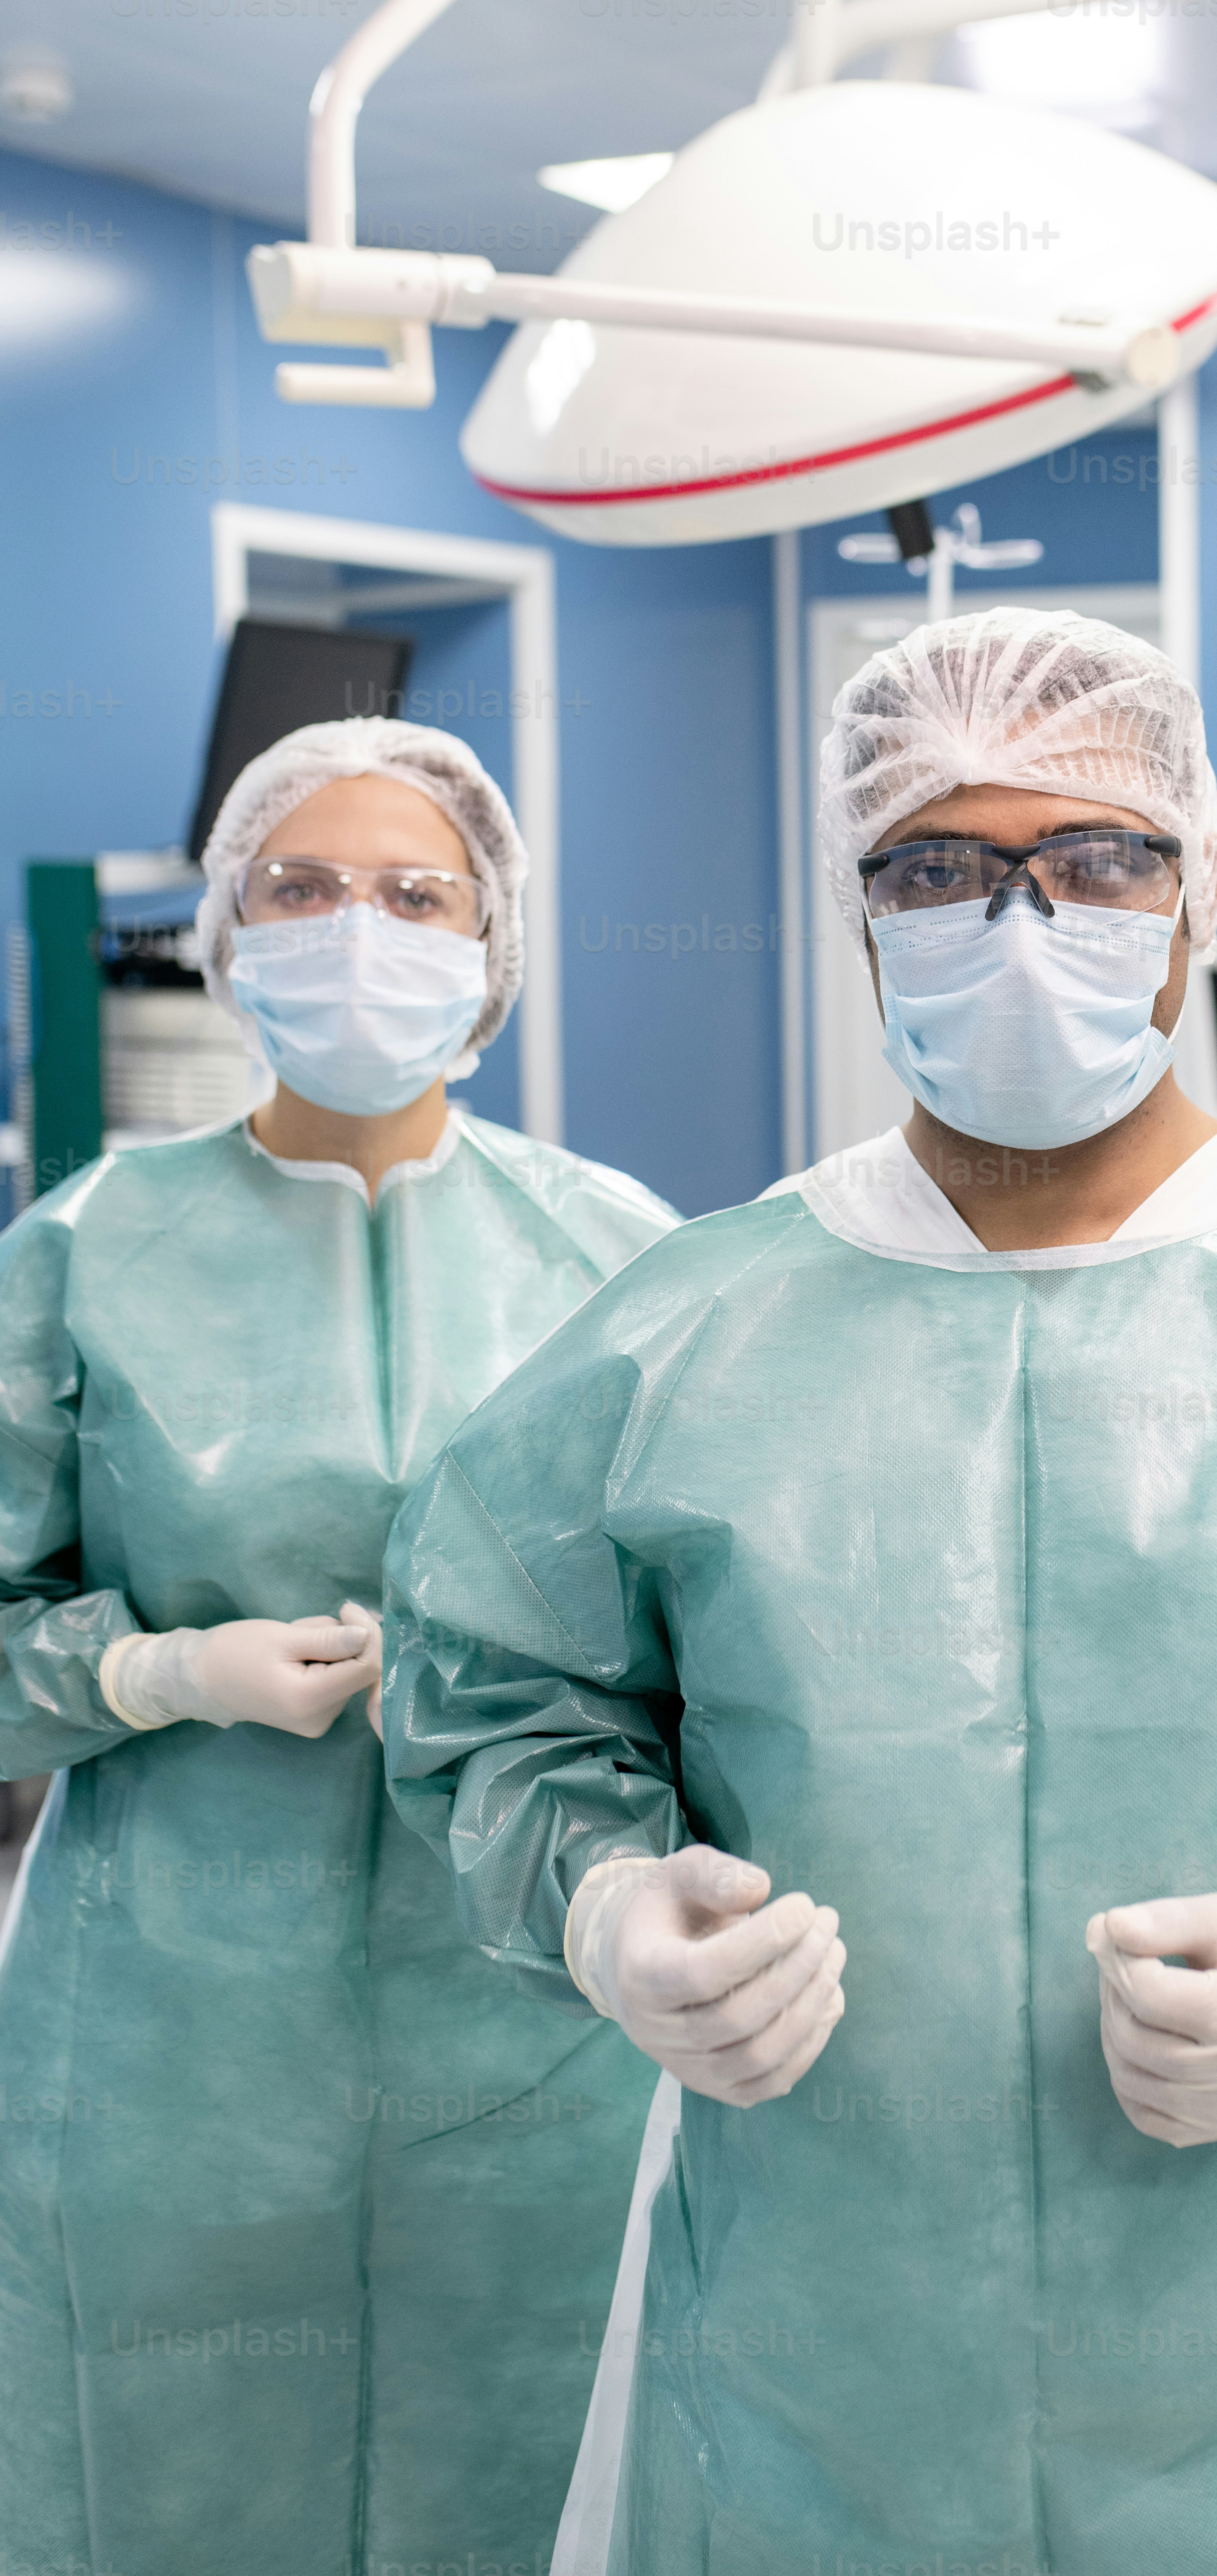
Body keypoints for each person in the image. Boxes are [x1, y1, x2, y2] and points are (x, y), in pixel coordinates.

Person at [383, 607, 1217, 2576]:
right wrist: (611, 1905)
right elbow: (501, 1698)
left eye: (1096, 861)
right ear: (862, 916)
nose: (1019, 921)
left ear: (1199, 889)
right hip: (807, 2378)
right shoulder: (676, 1343)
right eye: (939, 867)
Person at [0, 716, 677, 2573]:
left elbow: (713, 1625)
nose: (355, 930)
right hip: (167, 2028)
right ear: (226, 931)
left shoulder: (612, 1252)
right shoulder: (90, 1249)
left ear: (493, 943)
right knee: (166, 2461)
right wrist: (152, 1674)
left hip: (529, 2012)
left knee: (523, 2454)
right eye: (299, 889)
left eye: (412, 893)